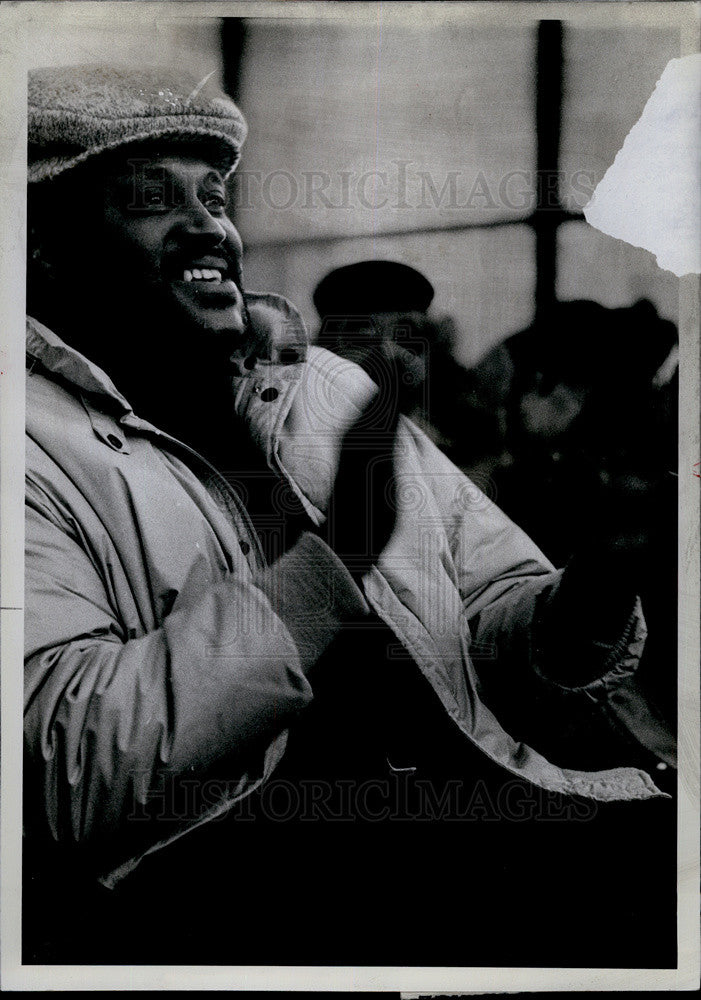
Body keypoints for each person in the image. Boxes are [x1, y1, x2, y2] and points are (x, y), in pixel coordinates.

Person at [23, 65, 675, 967]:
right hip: (223, 917)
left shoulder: (324, 393)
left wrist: (598, 584)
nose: (207, 223)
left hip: (476, 849)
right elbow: (62, 774)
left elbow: (490, 622)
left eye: (215, 195)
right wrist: (326, 578)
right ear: (41, 248)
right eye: (150, 200)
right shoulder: (25, 443)